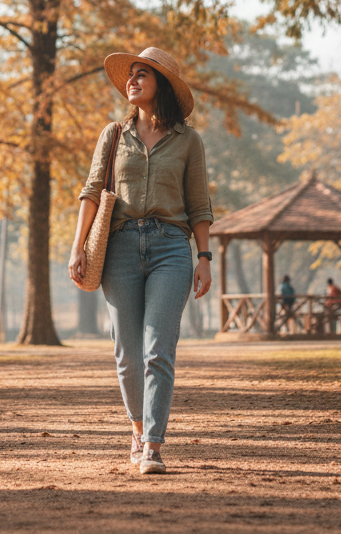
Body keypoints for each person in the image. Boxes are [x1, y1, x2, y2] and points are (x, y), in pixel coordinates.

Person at [68, 48, 213, 476]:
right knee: (128, 355)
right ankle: (136, 428)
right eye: (130, 75)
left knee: (157, 351)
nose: (132, 80)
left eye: (142, 74)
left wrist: (203, 258)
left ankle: (152, 444)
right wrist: (77, 247)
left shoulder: (189, 141)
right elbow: (92, 192)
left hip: (171, 248)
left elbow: (200, 205)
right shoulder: (113, 135)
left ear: (161, 85)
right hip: (121, 249)